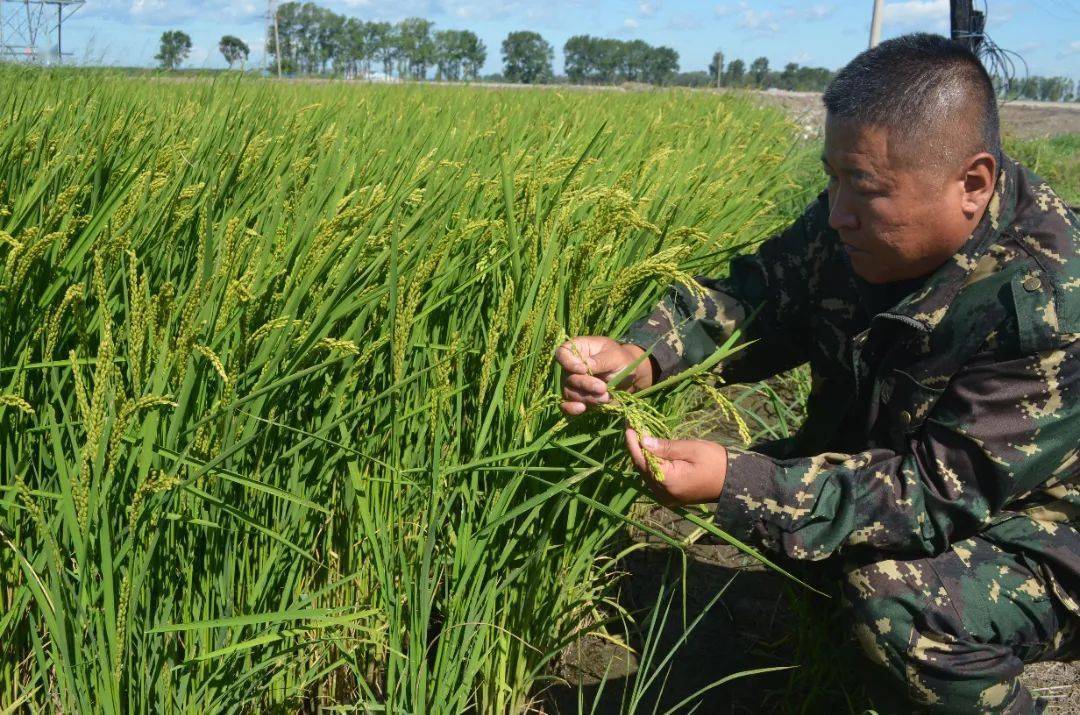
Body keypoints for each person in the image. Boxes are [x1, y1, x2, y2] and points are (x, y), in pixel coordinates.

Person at [555, 34, 1078, 714]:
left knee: (899, 609)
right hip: (922, 472)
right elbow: (758, 293)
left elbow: (931, 498)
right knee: (789, 486)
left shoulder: (1050, 296)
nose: (836, 213)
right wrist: (646, 355)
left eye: (863, 189)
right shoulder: (852, 214)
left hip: (1044, 520)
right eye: (832, 178)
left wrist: (737, 482)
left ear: (972, 184)